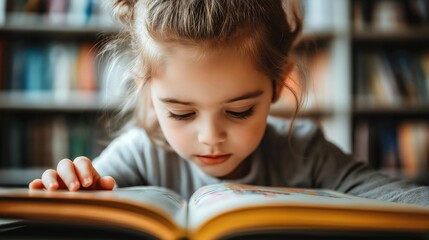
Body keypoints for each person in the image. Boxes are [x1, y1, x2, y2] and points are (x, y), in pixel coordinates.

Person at [29, 0, 429, 206]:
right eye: (181, 112)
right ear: (146, 88)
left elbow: (403, 201)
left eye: (239, 111)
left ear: (277, 83)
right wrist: (70, 188)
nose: (210, 138)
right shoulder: (137, 156)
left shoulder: (304, 152)